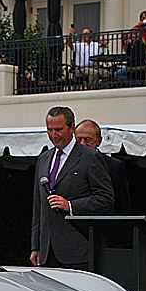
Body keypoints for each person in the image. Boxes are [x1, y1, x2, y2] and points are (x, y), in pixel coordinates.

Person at [30, 106, 115, 270]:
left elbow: (106, 198)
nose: (54, 135)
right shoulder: (44, 159)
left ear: (72, 128)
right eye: (49, 130)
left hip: (77, 250)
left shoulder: (90, 157)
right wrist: (36, 245)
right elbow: (38, 206)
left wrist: (71, 206)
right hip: (47, 251)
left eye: (59, 129)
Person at [74, 119, 130, 215]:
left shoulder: (114, 166)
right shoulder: (67, 164)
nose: (83, 144)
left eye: (87, 139)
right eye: (79, 139)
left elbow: (122, 203)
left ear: (98, 141)